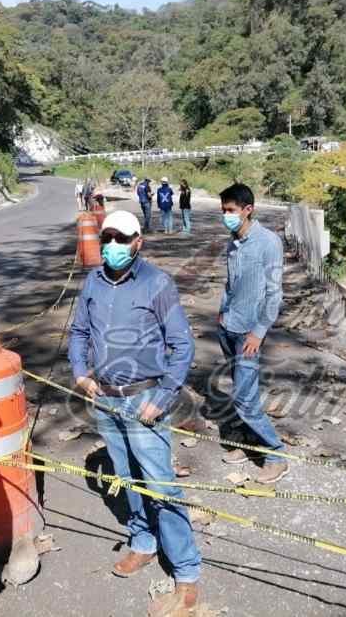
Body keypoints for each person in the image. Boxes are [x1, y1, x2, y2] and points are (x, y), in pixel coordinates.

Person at [68, 210, 201, 617]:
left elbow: (183, 346)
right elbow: (78, 332)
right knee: (127, 478)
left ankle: (187, 572)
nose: (112, 245)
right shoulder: (92, 281)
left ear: (138, 242)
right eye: (107, 237)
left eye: (121, 239)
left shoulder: (156, 283)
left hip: (144, 400)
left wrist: (162, 397)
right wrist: (79, 372)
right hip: (107, 399)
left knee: (160, 484)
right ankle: (142, 542)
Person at [216, 183, 289, 484]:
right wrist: (222, 311)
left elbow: (275, 295)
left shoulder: (268, 242)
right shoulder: (234, 241)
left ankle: (276, 454)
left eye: (231, 211)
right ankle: (248, 443)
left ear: (248, 210)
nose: (226, 216)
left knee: (246, 400)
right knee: (239, 390)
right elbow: (231, 283)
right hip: (228, 327)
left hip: (249, 333)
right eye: (224, 211)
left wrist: (258, 333)